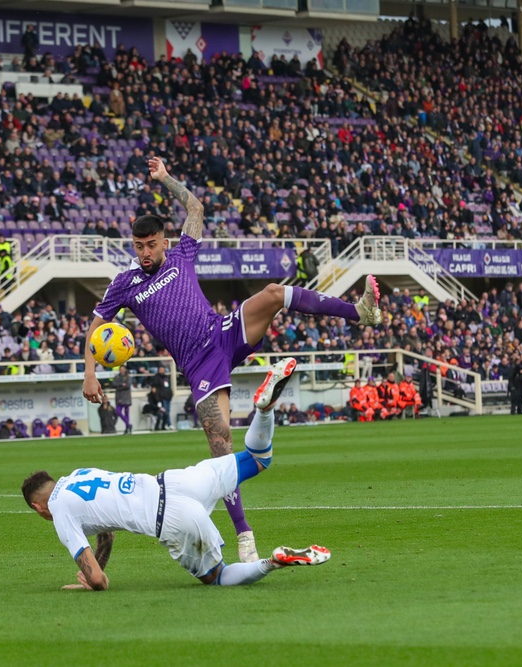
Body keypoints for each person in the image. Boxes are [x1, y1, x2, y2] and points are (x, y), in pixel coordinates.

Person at [82, 157, 381, 563]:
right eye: (138, 246)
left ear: (164, 241)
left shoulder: (181, 254)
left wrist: (166, 178)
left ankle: (360, 312)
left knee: (274, 293)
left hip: (223, 332)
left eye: (151, 244)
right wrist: (90, 374)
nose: (145, 252)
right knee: (220, 440)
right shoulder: (126, 283)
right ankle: (244, 535)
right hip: (198, 364)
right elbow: (96, 324)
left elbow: (196, 208)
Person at [22, 358, 329, 590]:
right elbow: (106, 530)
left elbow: (100, 581)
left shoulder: (60, 512)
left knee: (218, 576)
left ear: (38, 507)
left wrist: (92, 580)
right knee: (259, 458)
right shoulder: (78, 474)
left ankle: (273, 561)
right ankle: (264, 410)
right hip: (179, 480)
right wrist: (97, 566)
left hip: (170, 518)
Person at [112, 365, 132, 434]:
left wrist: (119, 387)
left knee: (127, 413)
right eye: (121, 369)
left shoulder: (128, 377)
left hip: (126, 397)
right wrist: (121, 385)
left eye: (123, 369)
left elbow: (128, 386)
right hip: (119, 397)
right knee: (118, 411)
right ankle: (128, 424)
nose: (122, 370)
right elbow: (113, 384)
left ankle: (127, 428)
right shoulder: (117, 377)